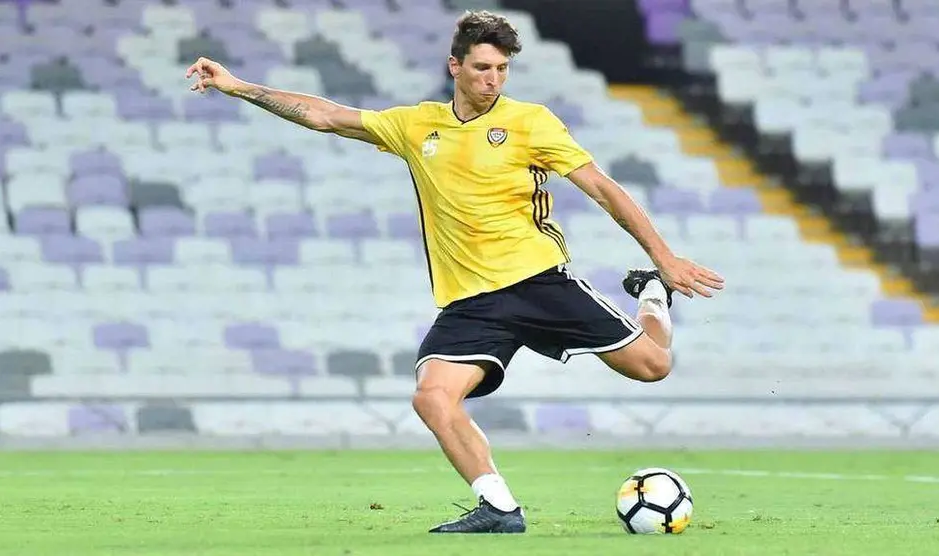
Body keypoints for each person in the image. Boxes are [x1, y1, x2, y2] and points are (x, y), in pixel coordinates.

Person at [186, 10, 724, 534]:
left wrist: (664, 260)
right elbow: (325, 114)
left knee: (653, 366)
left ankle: (652, 296)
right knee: (432, 396)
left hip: (538, 281)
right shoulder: (417, 125)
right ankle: (498, 507)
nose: (492, 79)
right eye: (482, 68)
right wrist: (238, 87)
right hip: (471, 302)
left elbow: (604, 188)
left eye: (501, 69)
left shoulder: (530, 122)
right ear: (455, 67)